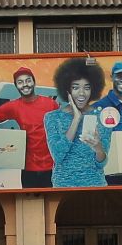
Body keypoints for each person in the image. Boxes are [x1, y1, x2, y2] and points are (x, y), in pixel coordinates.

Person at [0, 67, 57, 190]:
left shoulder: (50, 104)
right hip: (28, 169)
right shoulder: (14, 106)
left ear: (34, 82)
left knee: (53, 207)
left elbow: (62, 131)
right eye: (20, 82)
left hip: (52, 169)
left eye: (28, 80)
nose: (25, 85)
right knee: (28, 207)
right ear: (16, 86)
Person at [44, 57, 111, 188]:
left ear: (93, 90)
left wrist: (98, 149)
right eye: (75, 87)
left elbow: (101, 163)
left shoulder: (102, 117)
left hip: (95, 186)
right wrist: (76, 119)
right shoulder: (52, 117)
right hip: (63, 187)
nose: (82, 93)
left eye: (87, 88)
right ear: (67, 90)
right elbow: (58, 156)